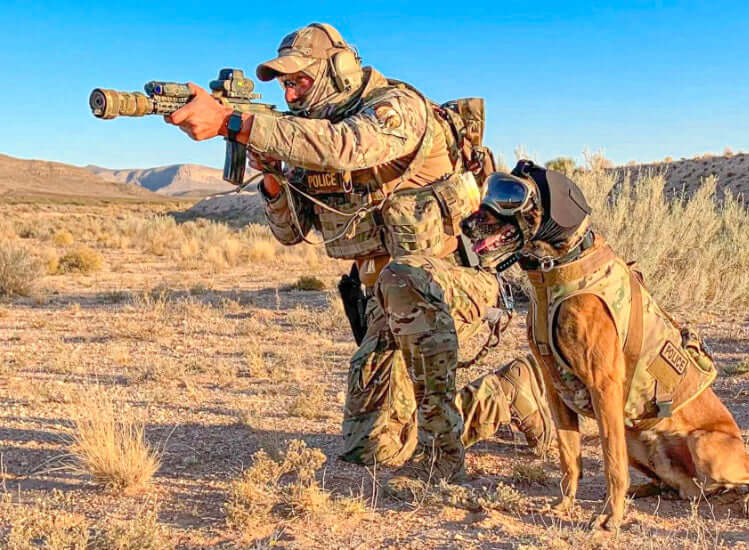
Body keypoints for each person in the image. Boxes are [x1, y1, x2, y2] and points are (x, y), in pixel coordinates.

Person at [165, 22, 553, 480]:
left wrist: (238, 123)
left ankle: (475, 426)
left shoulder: (395, 108)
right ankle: (510, 392)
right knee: (373, 450)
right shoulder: (310, 134)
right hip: (382, 304)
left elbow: (348, 148)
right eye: (286, 85)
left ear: (340, 69)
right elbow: (291, 233)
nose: (291, 96)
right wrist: (272, 175)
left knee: (414, 427)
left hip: (448, 287)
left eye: (299, 81)